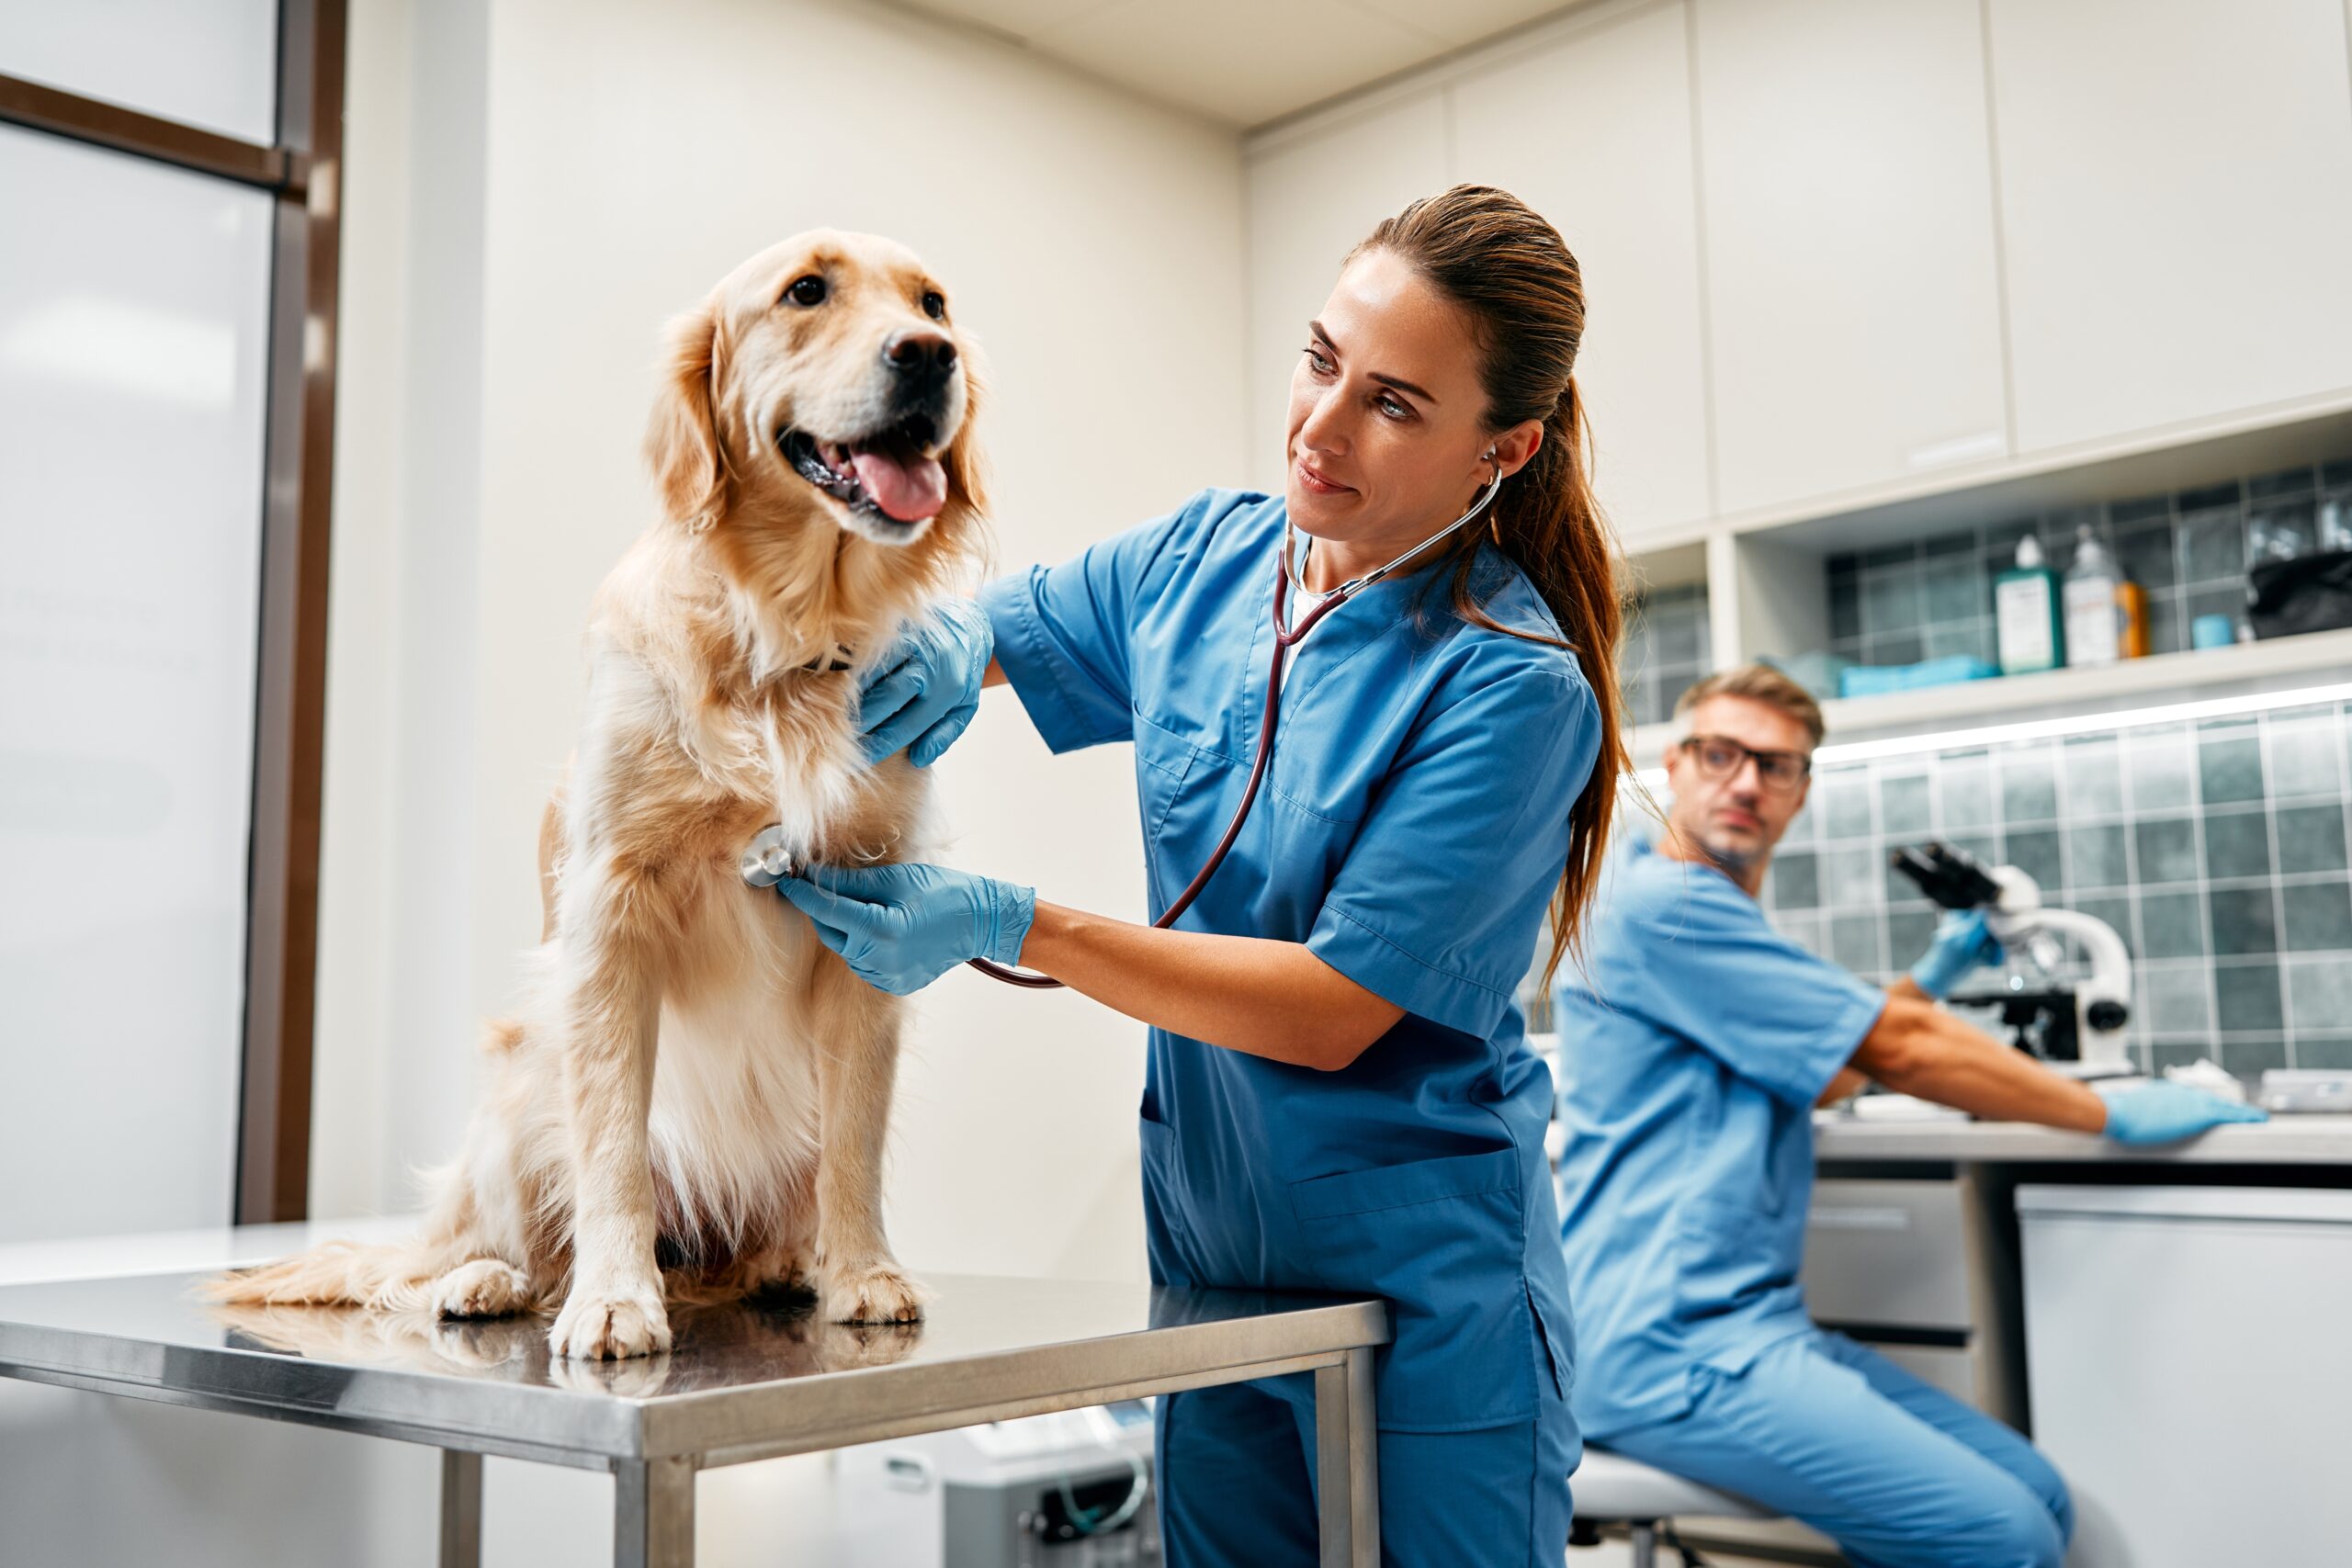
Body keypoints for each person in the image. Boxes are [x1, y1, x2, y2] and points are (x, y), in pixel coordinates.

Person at [765, 185, 1619, 1565]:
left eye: (1395, 404)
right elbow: (997, 620)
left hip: (1425, 1302)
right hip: (1219, 1266)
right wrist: (921, 648)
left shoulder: (1508, 684)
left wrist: (1018, 923)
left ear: (1502, 447)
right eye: (1321, 358)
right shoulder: (1206, 559)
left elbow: (1330, 1006)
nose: (1321, 429)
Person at [1553, 663, 2266, 1568]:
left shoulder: (1686, 905)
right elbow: (1897, 1050)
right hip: (1667, 1347)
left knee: (2042, 1499)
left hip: (1746, 1326)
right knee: (1999, 1536)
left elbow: (1823, 1070)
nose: (1745, 783)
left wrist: (1927, 980)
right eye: (1720, 753)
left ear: (1802, 791)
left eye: (1776, 765)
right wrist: (2100, 1109)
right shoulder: (1668, 905)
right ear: (1675, 761)